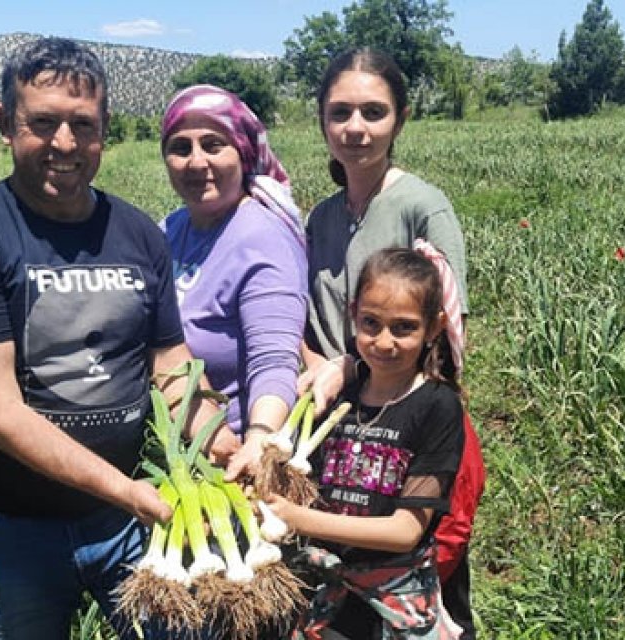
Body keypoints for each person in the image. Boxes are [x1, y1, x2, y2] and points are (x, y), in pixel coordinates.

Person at [0, 37, 233, 639]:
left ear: (104, 130)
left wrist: (217, 436)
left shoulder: (138, 233)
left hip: (124, 518)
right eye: (43, 123)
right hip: (6, 527)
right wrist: (126, 491)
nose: (64, 144)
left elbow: (167, 359)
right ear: (6, 124)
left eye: (82, 125)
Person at [298, 47, 485, 639]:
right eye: (341, 112)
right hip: (332, 429)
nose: (355, 128)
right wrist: (318, 375)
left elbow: (445, 337)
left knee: (423, 587)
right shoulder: (321, 216)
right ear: (323, 120)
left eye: (373, 112)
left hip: (405, 432)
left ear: (400, 118)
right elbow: (307, 322)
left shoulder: (421, 206)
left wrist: (349, 366)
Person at [266, 248, 466, 639]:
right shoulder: (339, 397)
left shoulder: (437, 406)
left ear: (435, 326)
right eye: (370, 323)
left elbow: (405, 531)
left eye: (404, 327)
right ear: (353, 312)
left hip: (393, 599)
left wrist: (295, 518)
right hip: (325, 593)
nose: (384, 341)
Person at [158, 84, 308, 481]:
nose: (196, 161)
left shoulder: (259, 237)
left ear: (242, 152)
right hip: (175, 450)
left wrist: (260, 439)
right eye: (180, 147)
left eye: (212, 144)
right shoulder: (169, 230)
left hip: (231, 459)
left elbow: (274, 358)